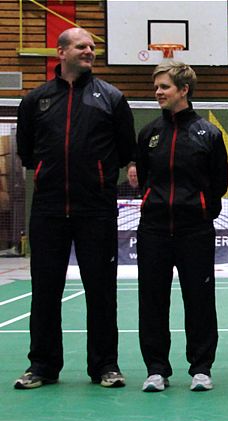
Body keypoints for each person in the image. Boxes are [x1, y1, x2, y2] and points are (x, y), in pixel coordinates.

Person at [14, 27, 135, 390]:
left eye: (93, 47)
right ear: (61, 51)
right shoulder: (37, 100)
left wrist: (95, 174)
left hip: (96, 207)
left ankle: (105, 366)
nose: (90, 51)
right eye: (82, 46)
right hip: (49, 208)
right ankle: (43, 366)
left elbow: (125, 147)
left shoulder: (111, 97)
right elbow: (27, 150)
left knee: (101, 290)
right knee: (45, 290)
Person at [135, 61, 228, 392]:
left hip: (196, 231)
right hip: (154, 231)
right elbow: (144, 179)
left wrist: (200, 211)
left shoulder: (209, 134)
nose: (158, 92)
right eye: (157, 86)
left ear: (184, 90)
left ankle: (201, 368)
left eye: (165, 87)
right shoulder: (148, 134)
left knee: (200, 300)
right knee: (152, 300)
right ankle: (156, 369)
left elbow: (219, 183)